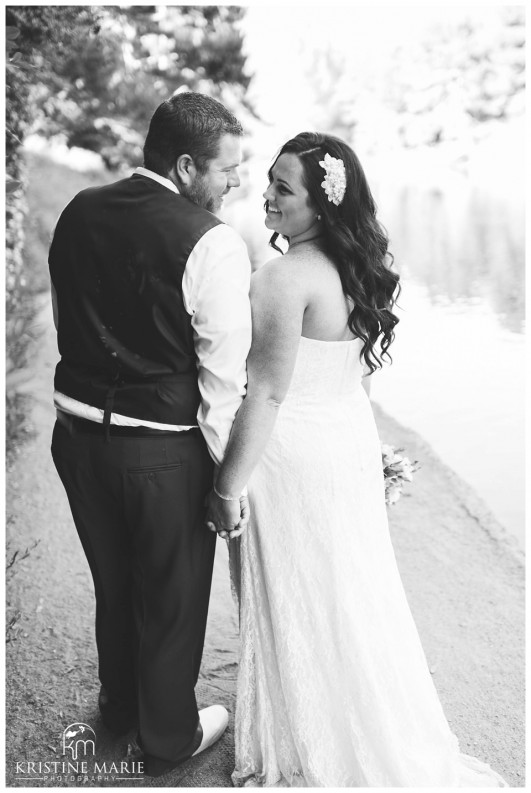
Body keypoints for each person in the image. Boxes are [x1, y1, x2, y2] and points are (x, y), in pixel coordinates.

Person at [206, 132, 507, 786]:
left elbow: (269, 392)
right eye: (268, 180)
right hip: (344, 440)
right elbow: (355, 381)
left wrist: (226, 486)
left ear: (320, 204)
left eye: (283, 187)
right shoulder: (357, 271)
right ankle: (355, 709)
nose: (267, 194)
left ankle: (311, 734)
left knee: (298, 593)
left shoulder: (280, 278)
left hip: (289, 457)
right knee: (349, 589)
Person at [49, 92, 252, 777]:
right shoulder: (211, 240)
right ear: (189, 164)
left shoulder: (80, 209)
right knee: (171, 594)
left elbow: (72, 312)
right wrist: (228, 483)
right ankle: (166, 738)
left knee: (114, 578)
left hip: (75, 437)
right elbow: (222, 384)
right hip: (160, 451)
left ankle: (119, 704)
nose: (235, 183)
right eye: (228, 169)